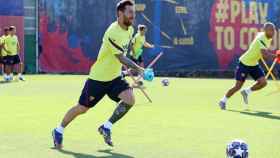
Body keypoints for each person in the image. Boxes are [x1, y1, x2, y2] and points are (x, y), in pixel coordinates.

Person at [52, 0, 152, 149]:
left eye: (134, 13)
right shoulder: (112, 31)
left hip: (114, 78)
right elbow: (120, 57)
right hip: (98, 79)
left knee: (130, 99)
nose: (133, 16)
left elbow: (124, 52)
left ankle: (106, 127)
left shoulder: (130, 30)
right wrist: (140, 69)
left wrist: (125, 71)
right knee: (82, 108)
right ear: (120, 13)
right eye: (130, 12)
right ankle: (58, 130)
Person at [219, 22, 279, 109]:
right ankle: (223, 100)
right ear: (265, 30)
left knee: (263, 83)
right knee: (238, 86)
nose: (273, 32)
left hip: (254, 64)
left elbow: (263, 52)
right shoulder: (261, 38)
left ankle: (246, 92)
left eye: (274, 30)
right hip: (244, 63)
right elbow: (265, 55)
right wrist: (276, 56)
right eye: (271, 30)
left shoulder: (268, 37)